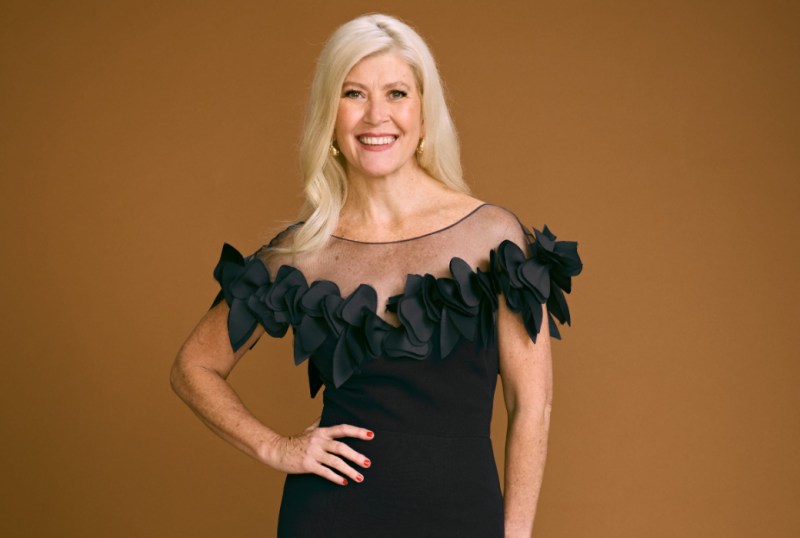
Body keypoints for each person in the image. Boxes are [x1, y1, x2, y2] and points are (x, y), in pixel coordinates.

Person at [171, 13, 582, 538]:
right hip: (329, 518)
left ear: (424, 112)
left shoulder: (493, 237)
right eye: (354, 94)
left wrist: (518, 533)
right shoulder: (300, 253)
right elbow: (193, 367)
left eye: (396, 93)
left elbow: (531, 404)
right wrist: (277, 448)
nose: (376, 116)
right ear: (330, 114)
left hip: (462, 520)